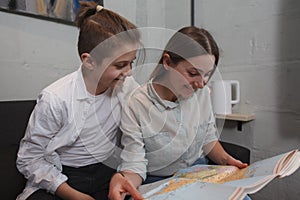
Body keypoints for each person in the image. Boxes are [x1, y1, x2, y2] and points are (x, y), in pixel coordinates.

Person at [16, 2, 142, 200]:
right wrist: (74, 196)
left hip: (105, 174)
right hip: (63, 177)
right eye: (120, 65)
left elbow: (137, 136)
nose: (129, 72)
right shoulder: (55, 99)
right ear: (89, 61)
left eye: (131, 63)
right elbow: (30, 159)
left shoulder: (127, 86)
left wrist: (125, 175)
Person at [108, 26, 248, 200]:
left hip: (198, 174)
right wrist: (124, 180)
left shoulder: (202, 93)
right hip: (158, 181)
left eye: (207, 75)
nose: (201, 84)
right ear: (167, 62)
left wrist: (227, 160)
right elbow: (135, 162)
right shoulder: (136, 103)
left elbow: (207, 138)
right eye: (193, 73)